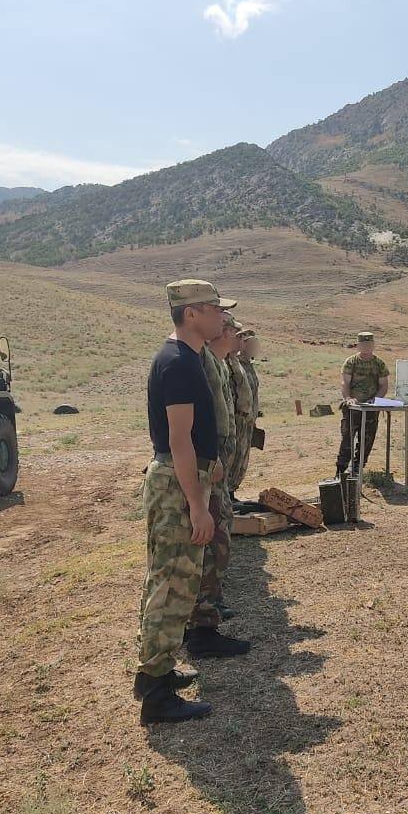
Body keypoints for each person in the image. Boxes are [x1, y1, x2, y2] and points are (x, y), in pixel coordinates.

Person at [135, 279, 236, 724]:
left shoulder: (188, 357)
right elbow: (178, 439)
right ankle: (156, 695)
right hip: (178, 483)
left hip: (186, 476)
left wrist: (210, 466)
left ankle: (155, 673)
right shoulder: (177, 361)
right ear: (191, 313)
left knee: (169, 579)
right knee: (173, 586)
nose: (221, 316)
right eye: (215, 308)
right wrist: (197, 505)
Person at [195, 313, 252, 649]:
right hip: (209, 461)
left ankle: (209, 607)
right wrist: (211, 457)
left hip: (219, 457)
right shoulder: (198, 361)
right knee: (211, 536)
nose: (233, 334)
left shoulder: (217, 361)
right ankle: (202, 620)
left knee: (220, 532)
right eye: (231, 329)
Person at [335, 332, 389, 478]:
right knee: (347, 438)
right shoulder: (351, 362)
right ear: (358, 346)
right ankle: (340, 471)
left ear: (373, 346)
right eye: (363, 345)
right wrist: (348, 398)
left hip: (371, 408)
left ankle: (357, 469)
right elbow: (344, 383)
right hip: (353, 408)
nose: (366, 348)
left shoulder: (379, 364)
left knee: (367, 439)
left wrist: (376, 399)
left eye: (369, 345)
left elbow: (383, 385)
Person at [230, 330, 261, 491]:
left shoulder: (249, 365)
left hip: (249, 419)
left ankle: (232, 489)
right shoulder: (235, 364)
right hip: (238, 419)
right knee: (234, 456)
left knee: (243, 457)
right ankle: (228, 491)